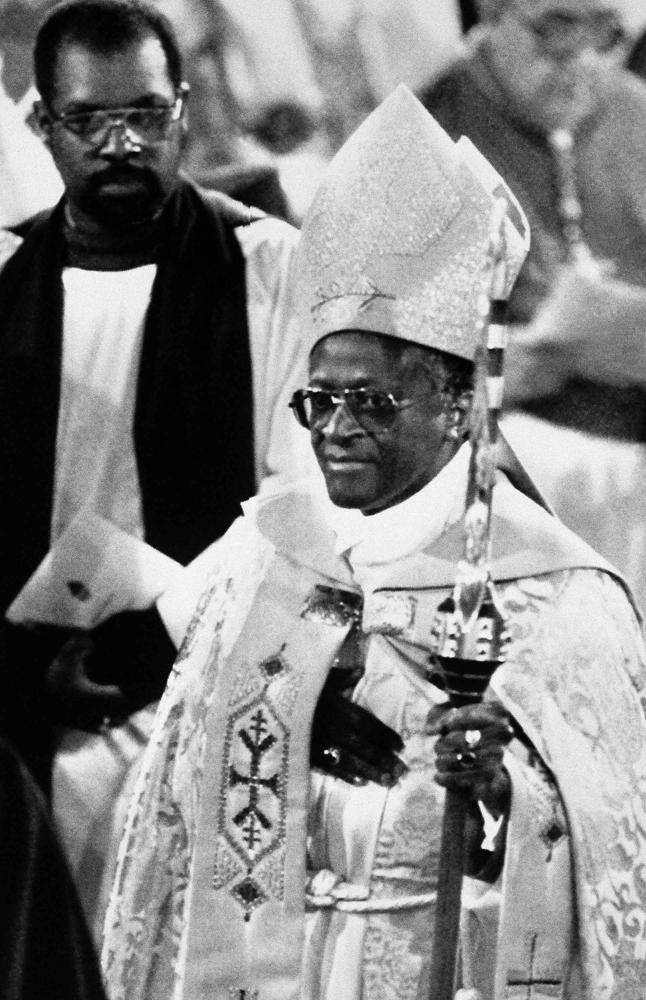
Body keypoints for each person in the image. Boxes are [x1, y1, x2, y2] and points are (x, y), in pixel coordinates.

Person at [102, 87, 646, 1000]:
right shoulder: (261, 555)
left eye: (374, 400)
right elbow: (167, 804)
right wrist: (286, 720)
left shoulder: (553, 591)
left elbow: (618, 835)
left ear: (458, 406)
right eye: (322, 400)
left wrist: (511, 794)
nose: (336, 428)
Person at [0, 0, 308, 941]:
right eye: (90, 122)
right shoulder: (6, 280)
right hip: (33, 697)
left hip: (219, 683)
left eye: (146, 115)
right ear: (43, 125)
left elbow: (301, 498)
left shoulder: (267, 266)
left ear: (183, 110)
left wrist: (162, 636)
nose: (122, 143)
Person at [419, 0, 646, 616]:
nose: (583, 62)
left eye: (606, 35)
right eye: (556, 30)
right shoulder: (425, 132)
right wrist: (511, 366)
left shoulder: (634, 111)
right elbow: (383, 356)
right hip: (517, 453)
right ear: (493, 12)